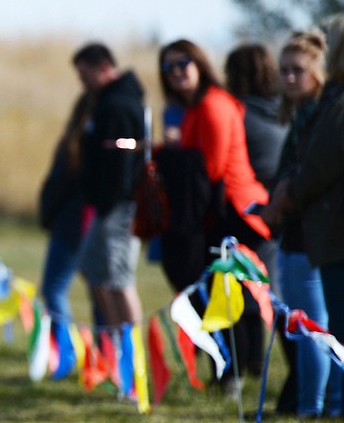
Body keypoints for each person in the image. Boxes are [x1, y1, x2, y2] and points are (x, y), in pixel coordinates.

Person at [159, 39, 272, 392]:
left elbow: (210, 167)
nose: (176, 71)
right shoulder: (194, 108)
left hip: (235, 212)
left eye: (183, 63)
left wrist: (167, 155)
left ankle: (233, 375)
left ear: (200, 63)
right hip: (215, 213)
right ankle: (236, 371)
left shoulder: (213, 104)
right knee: (218, 293)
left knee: (222, 294)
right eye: (168, 67)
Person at [265, 20, 344, 420]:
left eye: (298, 70)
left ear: (320, 71)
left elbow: (315, 171)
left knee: (317, 327)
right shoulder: (301, 116)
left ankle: (320, 406)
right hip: (295, 234)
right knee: (304, 324)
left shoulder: (328, 112)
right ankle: (314, 402)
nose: (289, 78)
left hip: (318, 232)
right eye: (283, 70)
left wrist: (287, 195)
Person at [73, 43, 145, 328]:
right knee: (94, 271)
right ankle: (114, 340)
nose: (82, 83)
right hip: (105, 206)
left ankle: (131, 350)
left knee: (119, 279)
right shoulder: (105, 102)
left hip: (120, 204)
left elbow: (124, 153)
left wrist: (113, 199)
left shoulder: (118, 106)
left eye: (85, 74)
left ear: (104, 68)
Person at [224, 43, 286, 290]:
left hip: (250, 210)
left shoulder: (238, 113)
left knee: (251, 296)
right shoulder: (284, 110)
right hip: (282, 202)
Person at [38, 85, 96, 325]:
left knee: (54, 288)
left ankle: (66, 346)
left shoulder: (75, 144)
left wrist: (48, 213)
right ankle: (104, 346)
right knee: (98, 292)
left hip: (71, 225)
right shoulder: (89, 145)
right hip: (87, 223)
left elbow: (56, 186)